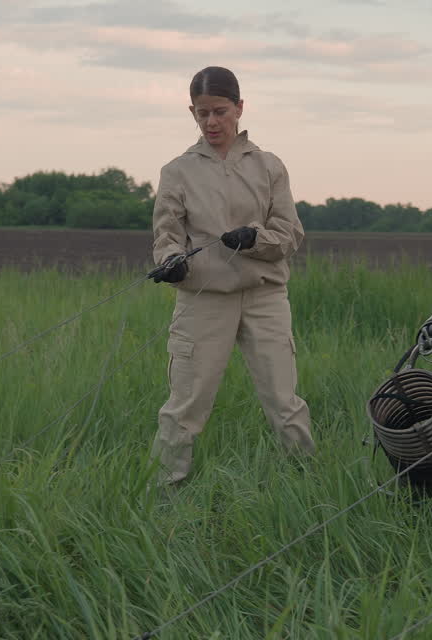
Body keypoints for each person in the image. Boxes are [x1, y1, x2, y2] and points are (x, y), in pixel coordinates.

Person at [147, 66, 316, 488]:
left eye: (220, 111)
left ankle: (307, 484)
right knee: (185, 404)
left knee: (284, 401)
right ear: (192, 112)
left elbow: (290, 233)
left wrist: (254, 239)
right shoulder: (177, 171)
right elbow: (166, 235)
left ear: (240, 108)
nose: (211, 122)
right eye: (201, 113)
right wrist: (172, 262)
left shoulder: (269, 166)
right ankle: (164, 491)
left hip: (265, 297)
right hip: (203, 299)